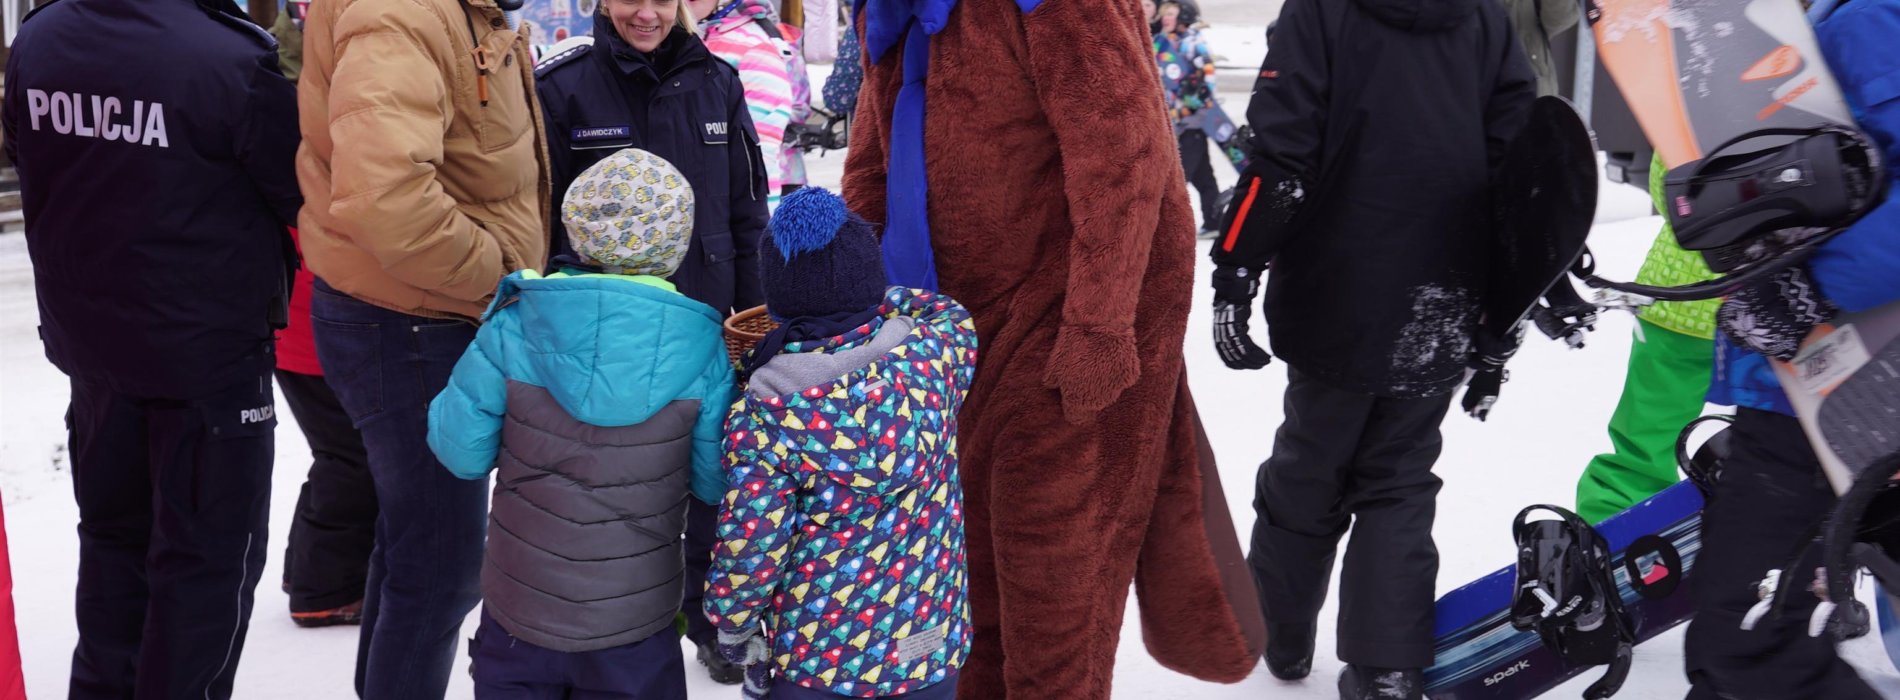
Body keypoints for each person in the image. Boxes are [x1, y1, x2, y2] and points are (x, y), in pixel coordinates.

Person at [843, 0, 1268, 691]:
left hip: (1066, 323)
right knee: (963, 582)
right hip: (949, 334)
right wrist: (854, 306)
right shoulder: (891, 11)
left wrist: (1099, 327)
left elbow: (1125, 156)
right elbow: (872, 155)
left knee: (1055, 598)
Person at [1209, 0, 1534, 691]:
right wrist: (1504, 308)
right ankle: (1386, 668)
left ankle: (1281, 634)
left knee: (1310, 464)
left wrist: (1237, 266)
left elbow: (1282, 155)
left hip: (1336, 287)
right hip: (1445, 291)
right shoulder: (1485, 17)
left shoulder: (1321, 11)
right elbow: (1521, 166)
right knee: (1399, 480)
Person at [1, 1, 301, 697]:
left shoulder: (41, 36)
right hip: (207, 361)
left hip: (96, 351)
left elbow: (27, 150)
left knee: (113, 549)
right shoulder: (229, 56)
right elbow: (302, 191)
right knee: (206, 569)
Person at [297, 0, 549, 695]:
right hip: (406, 317)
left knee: (418, 548)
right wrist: (498, 272)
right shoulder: (402, 11)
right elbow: (385, 195)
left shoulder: (456, 11)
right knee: (441, 564)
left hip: (422, 309)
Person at [429, 149, 736, 700]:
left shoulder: (517, 324)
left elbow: (462, 452)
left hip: (520, 612)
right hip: (635, 621)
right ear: (676, 243)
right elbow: (714, 480)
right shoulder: (704, 348)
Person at [535, 0, 770, 683]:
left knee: (711, 481)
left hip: (705, 323)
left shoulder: (717, 82)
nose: (647, 12)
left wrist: (756, 320)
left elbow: (748, 210)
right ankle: (617, 623)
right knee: (619, 485)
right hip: (609, 334)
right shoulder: (563, 86)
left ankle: (709, 620)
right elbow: (543, 219)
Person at [1686, 0, 1900, 696]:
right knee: (1738, 640)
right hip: (1814, 380)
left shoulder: (1873, 20)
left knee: (1749, 641)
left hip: (1842, 380)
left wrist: (1802, 289)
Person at [704, 188, 976, 700]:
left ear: (779, 303)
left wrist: (734, 627)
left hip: (819, 666)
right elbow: (945, 309)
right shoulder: (938, 355)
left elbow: (753, 540)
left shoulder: (767, 413)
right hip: (930, 650)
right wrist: (879, 298)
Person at [265, 1, 379, 629]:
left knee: (342, 449)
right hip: (313, 311)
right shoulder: (298, 102)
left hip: (309, 306)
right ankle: (321, 585)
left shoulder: (291, 81)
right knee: (351, 453)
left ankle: (310, 567)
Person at [1574, 155, 1720, 523]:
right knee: (1790, 445)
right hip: (1802, 298)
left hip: (1685, 294)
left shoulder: (1699, 98)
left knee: (1642, 450)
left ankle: (1614, 543)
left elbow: (1665, 182)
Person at [694, 0, 797, 208]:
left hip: (736, 215)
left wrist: (758, 231)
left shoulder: (755, 49)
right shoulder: (697, 37)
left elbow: (759, 156)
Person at [1155, 1, 1227, 238]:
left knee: (1179, 175)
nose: (1165, 18)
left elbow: (1205, 84)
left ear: (1184, 16)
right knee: (1203, 175)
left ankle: (1166, 228)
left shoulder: (1195, 44)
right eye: (1164, 14)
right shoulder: (1165, 42)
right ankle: (1215, 220)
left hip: (1192, 122)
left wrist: (1183, 112)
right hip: (1173, 121)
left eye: (1171, 14)